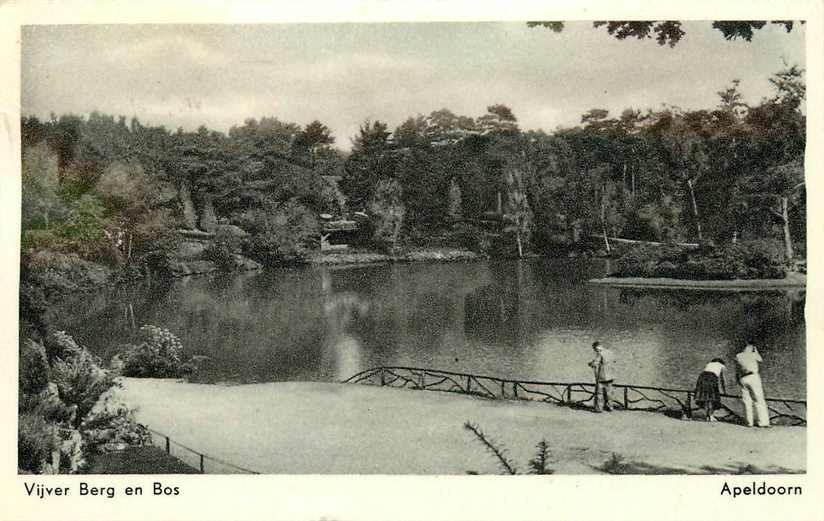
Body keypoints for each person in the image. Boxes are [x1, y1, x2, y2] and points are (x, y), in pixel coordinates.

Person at [734, 341, 770, 428]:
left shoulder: (738, 355)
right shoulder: (753, 354)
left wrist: (738, 379)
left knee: (746, 401)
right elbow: (760, 359)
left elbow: (737, 369)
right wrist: (755, 351)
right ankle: (763, 422)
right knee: (759, 399)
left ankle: (749, 422)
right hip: (753, 376)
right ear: (750, 348)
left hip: (743, 377)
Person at [588, 341, 616, 412]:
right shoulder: (610, 352)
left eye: (595, 349)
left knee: (599, 393)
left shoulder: (600, 354)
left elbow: (595, 363)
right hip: (610, 375)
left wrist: (590, 363)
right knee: (609, 393)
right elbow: (614, 361)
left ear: (596, 347)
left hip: (602, 376)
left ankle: (599, 408)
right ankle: (610, 407)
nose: (595, 351)